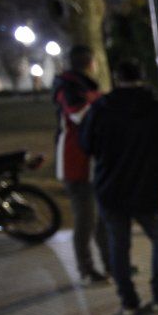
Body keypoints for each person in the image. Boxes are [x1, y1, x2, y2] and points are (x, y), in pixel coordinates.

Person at [79, 59, 158, 315]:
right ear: (142, 77)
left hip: (110, 188)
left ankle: (129, 301)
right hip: (148, 187)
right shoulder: (155, 108)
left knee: (118, 245)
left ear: (116, 78)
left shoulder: (100, 108)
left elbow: (86, 144)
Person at [52, 44, 110, 285]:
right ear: (90, 63)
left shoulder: (78, 86)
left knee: (100, 219)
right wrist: (99, 100)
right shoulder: (69, 88)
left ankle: (111, 263)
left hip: (89, 162)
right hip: (75, 163)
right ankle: (86, 269)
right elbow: (79, 114)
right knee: (86, 220)